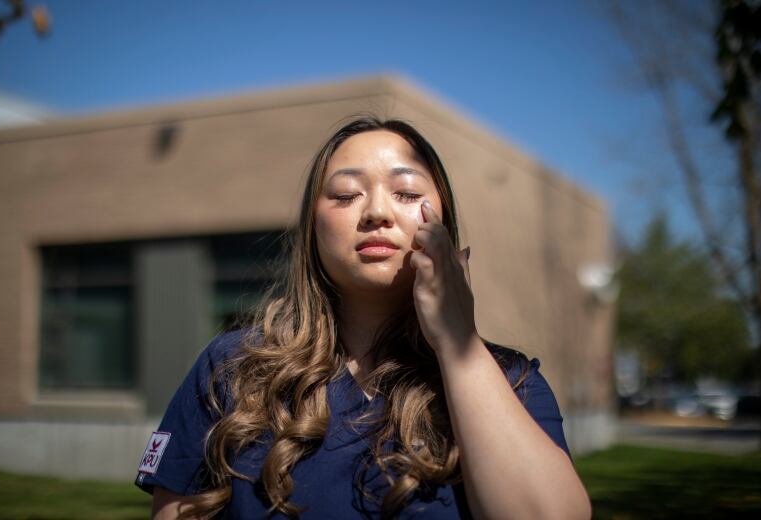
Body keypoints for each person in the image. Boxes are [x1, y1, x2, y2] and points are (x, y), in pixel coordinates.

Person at [135, 117, 592, 519]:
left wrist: (459, 345)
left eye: (407, 192)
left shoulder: (510, 380)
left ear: (444, 225)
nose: (376, 212)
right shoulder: (232, 368)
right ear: (312, 228)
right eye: (346, 194)